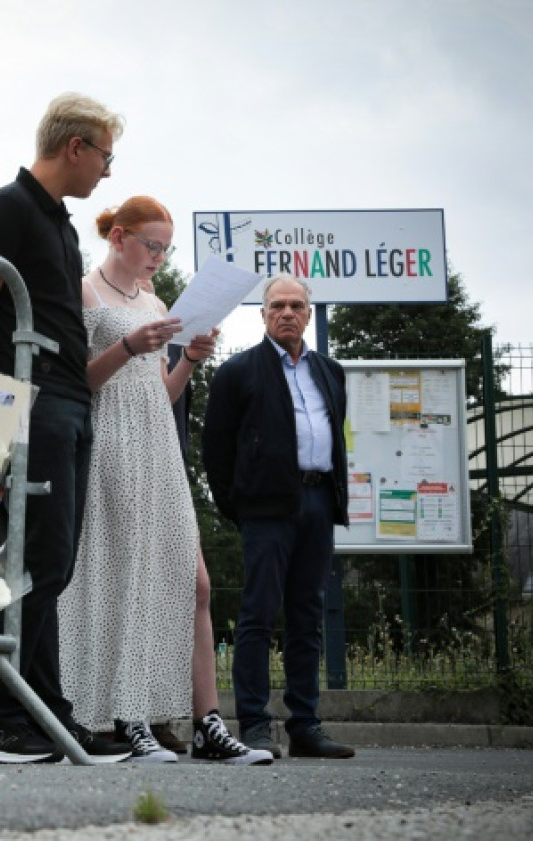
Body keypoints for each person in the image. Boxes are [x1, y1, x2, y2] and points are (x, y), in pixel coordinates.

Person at [59, 196, 272, 765]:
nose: (158, 257)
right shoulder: (85, 291)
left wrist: (190, 359)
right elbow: (73, 381)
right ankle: (128, 717)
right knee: (127, 578)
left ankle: (207, 723)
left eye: (165, 248)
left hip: (157, 444)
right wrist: (128, 345)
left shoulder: (153, 299)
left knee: (194, 581)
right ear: (119, 237)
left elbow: (161, 391)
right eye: (151, 245)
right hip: (109, 441)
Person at [0, 92, 130, 764]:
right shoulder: (7, 206)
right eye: (105, 158)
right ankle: (2, 716)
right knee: (29, 557)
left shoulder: (60, 223)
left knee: (50, 560)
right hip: (15, 397)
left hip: (63, 398)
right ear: (76, 148)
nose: (107, 175)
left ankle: (46, 711)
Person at [202, 274, 356, 760]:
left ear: (309, 313)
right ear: (263, 315)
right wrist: (240, 505)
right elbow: (216, 451)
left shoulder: (330, 371)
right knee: (258, 615)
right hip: (265, 509)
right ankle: (253, 723)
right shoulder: (238, 372)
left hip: (318, 502)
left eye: (295, 305)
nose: (286, 312)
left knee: (307, 617)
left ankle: (305, 725)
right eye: (276, 306)